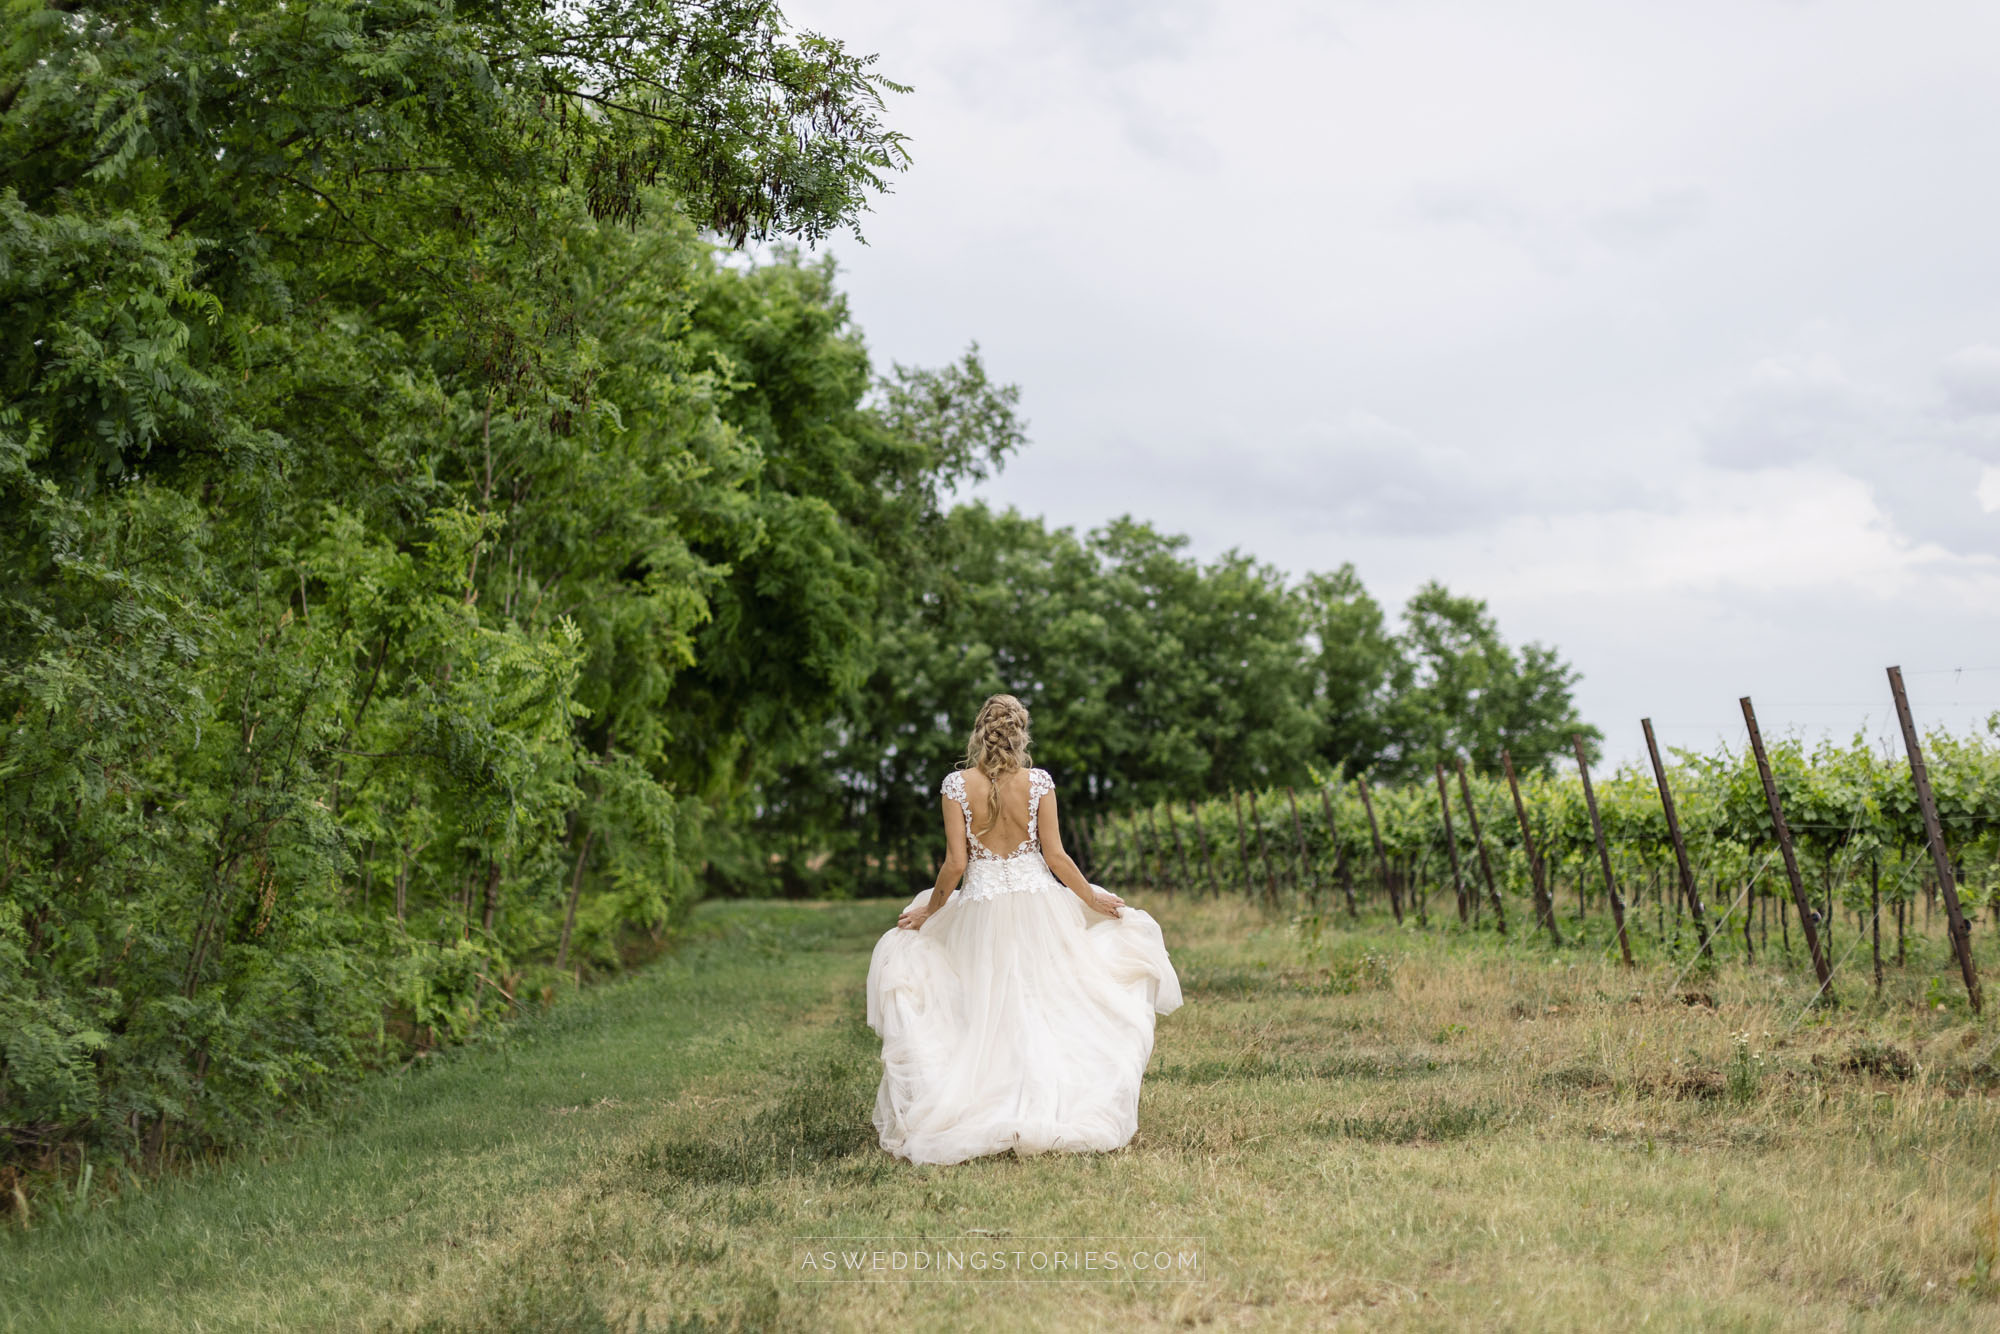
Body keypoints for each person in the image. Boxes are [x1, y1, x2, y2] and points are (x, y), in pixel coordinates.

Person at [865, 693, 1183, 1165]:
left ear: (979, 732)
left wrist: (928, 912)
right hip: (1039, 905)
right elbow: (1055, 857)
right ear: (1020, 732)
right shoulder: (1039, 783)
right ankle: (1049, 1098)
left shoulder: (956, 785)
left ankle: (985, 1098)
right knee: (1045, 999)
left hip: (981, 910)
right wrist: (1090, 897)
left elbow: (956, 864)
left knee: (982, 1004)